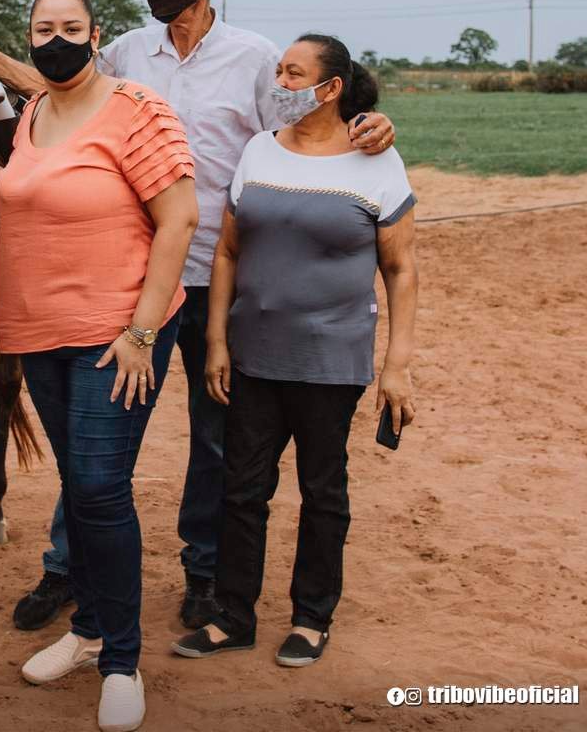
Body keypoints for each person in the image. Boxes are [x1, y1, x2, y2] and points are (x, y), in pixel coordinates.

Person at [12, 0, 399, 634]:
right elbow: (58, 93)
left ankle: (204, 571)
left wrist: (372, 126)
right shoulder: (126, 52)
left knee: (216, 433)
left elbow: (308, 125)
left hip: (221, 277)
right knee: (95, 433)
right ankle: (67, 565)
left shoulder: (253, 59)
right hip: (136, 277)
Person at [0, 0, 197, 732]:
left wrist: (142, 332)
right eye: (43, 29)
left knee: (98, 487)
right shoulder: (33, 113)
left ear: (95, 34)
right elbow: (36, 198)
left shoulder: (137, 109)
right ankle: (88, 632)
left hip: (115, 333)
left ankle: (120, 659)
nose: (55, 40)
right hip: (38, 333)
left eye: (70, 28)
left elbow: (180, 218)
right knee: (80, 485)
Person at [171, 34, 418, 667]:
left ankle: (311, 618)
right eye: (279, 70)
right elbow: (227, 251)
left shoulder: (376, 160)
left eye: (293, 73)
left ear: (330, 88)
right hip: (253, 355)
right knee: (242, 489)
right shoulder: (259, 150)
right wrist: (217, 341)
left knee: (322, 490)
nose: (279, 82)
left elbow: (400, 269)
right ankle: (233, 616)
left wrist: (396, 365)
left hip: (331, 361)